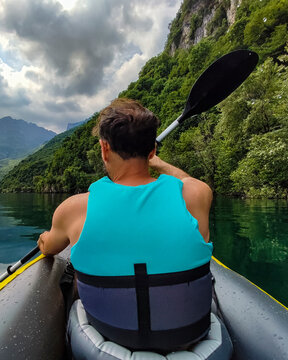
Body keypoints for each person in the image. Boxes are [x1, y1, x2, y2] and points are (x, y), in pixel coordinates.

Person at [38, 98, 214, 352]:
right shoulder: (195, 195)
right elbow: (190, 182)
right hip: (190, 339)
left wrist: (43, 238)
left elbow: (48, 247)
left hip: (109, 343)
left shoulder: (73, 209)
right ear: (152, 150)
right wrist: (158, 163)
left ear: (104, 149)